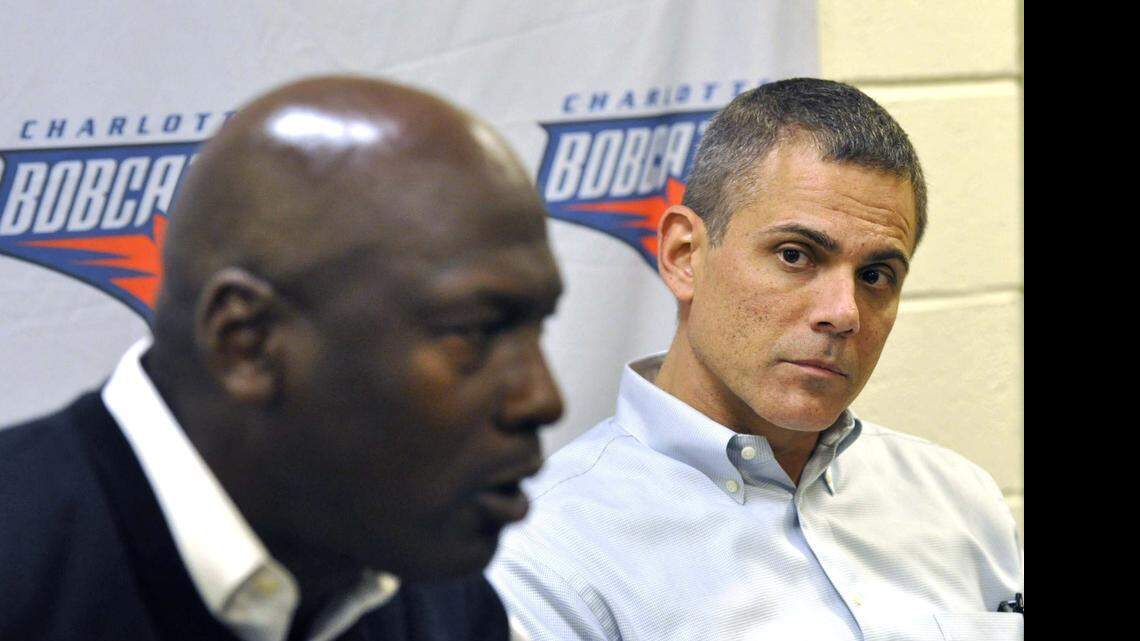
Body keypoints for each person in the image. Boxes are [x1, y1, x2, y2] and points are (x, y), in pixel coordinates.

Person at [0, 75, 565, 641]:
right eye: (473, 332)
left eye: (538, 328)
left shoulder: (427, 588)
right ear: (247, 342)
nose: (543, 398)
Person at [488, 78, 1024, 640]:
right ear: (683, 255)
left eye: (876, 276)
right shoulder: (546, 555)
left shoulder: (961, 502)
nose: (844, 313)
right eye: (795, 255)